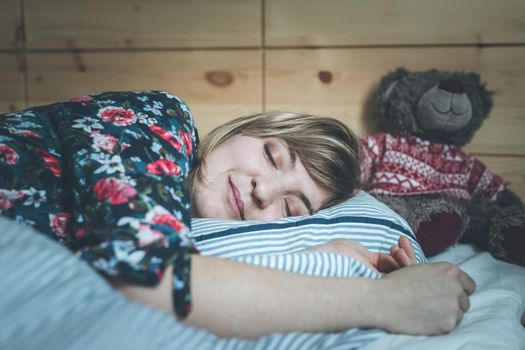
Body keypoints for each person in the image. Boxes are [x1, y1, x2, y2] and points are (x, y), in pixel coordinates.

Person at [0, 90, 475, 339]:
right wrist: (387, 303)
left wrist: (336, 255)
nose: (263, 191)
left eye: (291, 208)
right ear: (244, 130)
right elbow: (153, 280)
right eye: (271, 156)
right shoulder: (161, 118)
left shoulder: (183, 227)